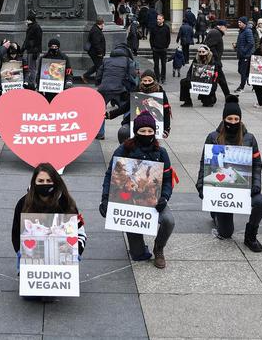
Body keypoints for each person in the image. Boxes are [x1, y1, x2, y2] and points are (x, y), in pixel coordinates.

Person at [100, 111, 176, 268]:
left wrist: (165, 197)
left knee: (169, 221)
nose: (147, 134)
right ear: (136, 132)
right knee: (137, 254)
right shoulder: (123, 150)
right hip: (128, 199)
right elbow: (110, 176)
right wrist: (105, 199)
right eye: (143, 131)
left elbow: (167, 180)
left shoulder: (161, 153)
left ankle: (159, 248)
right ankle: (139, 247)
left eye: (150, 131)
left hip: (153, 198)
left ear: (154, 132)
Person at [196, 96, 262, 252]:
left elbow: (257, 165)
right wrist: (201, 186)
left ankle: (250, 236)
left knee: (260, 202)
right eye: (229, 118)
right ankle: (216, 212)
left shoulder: (249, 138)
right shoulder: (213, 137)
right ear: (223, 119)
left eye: (236, 119)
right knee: (226, 233)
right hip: (221, 189)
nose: (233, 122)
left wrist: (256, 185)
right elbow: (204, 164)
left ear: (240, 119)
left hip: (242, 187)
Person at [12, 163, 87, 281]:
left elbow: (78, 230)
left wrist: (76, 250)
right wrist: (20, 252)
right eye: (40, 181)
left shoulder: (66, 204)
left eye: (48, 180)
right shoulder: (23, 203)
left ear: (55, 182)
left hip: (61, 256)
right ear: (34, 182)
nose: (44, 184)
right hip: (33, 256)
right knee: (30, 295)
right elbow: (16, 232)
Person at [113, 70, 171, 144]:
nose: (147, 83)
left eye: (149, 80)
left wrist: (166, 129)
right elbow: (126, 107)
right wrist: (110, 114)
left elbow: (166, 111)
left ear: (154, 80)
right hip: (136, 119)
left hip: (154, 122)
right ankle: (125, 151)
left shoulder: (160, 91)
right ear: (141, 80)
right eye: (145, 80)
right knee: (123, 132)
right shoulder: (136, 90)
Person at [94, 42, 137, 140]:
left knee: (100, 111)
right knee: (127, 109)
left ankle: (100, 133)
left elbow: (99, 75)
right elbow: (132, 75)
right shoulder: (128, 61)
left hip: (104, 90)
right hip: (120, 90)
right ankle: (127, 132)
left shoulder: (106, 60)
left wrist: (100, 84)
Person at [204, 20, 231, 102]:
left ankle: (227, 94)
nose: (226, 28)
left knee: (220, 79)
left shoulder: (216, 32)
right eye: (225, 26)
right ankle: (225, 95)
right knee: (217, 80)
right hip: (214, 61)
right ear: (220, 26)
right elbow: (210, 46)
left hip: (214, 60)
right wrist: (216, 58)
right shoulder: (216, 33)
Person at [81, 17, 106, 83]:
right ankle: (98, 81)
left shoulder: (96, 29)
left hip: (94, 51)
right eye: (103, 23)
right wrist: (100, 52)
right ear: (102, 23)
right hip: (95, 52)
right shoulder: (96, 31)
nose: (104, 25)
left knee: (97, 65)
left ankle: (85, 76)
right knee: (99, 67)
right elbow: (96, 43)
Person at [233, 17, 255, 92]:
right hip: (241, 55)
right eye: (238, 22)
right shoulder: (241, 31)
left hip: (246, 55)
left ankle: (241, 87)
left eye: (240, 22)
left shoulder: (248, 31)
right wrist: (236, 45)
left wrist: (243, 50)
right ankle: (249, 78)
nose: (239, 24)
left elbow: (251, 43)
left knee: (243, 71)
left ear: (244, 23)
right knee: (240, 70)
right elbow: (242, 41)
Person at [23, 10, 43, 87]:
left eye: (27, 20)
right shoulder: (32, 27)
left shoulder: (36, 27)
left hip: (33, 50)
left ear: (30, 20)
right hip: (30, 49)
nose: (26, 21)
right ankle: (31, 82)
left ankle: (32, 83)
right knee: (31, 66)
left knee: (32, 67)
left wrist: (35, 51)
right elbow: (27, 39)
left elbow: (38, 40)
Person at [149, 14, 171, 83]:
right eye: (157, 19)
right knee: (156, 65)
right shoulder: (153, 27)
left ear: (163, 20)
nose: (158, 20)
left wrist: (166, 46)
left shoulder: (166, 27)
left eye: (159, 19)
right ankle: (157, 77)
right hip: (155, 49)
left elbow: (168, 38)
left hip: (163, 49)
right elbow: (151, 38)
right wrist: (152, 47)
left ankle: (163, 78)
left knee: (163, 64)